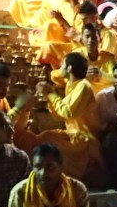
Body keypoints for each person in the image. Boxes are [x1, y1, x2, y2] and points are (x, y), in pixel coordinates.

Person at [34, 52, 106, 187]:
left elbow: (68, 112)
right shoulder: (72, 87)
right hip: (73, 135)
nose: (60, 68)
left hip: (84, 138)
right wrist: (48, 97)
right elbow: (58, 116)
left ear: (69, 68)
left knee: (47, 138)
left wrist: (51, 94)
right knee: (44, 137)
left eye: (62, 64)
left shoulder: (83, 86)